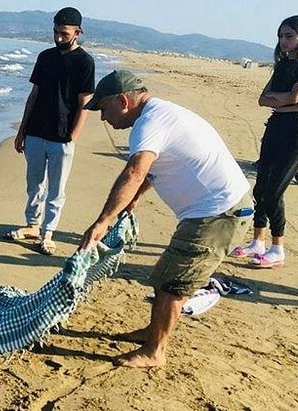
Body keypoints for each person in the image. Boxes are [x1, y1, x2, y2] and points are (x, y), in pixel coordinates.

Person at [79, 70, 252, 367]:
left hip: (217, 214)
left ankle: (154, 351)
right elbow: (152, 170)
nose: (103, 118)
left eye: (104, 109)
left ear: (122, 101)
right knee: (165, 278)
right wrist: (134, 198)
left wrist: (104, 220)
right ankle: (152, 332)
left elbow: (135, 171)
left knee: (173, 285)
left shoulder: (149, 122)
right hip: (215, 210)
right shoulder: (160, 114)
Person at [230, 15, 298, 268]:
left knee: (275, 189)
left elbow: (297, 97)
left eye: (289, 36)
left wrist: (281, 97)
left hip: (297, 129)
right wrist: (283, 98)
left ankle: (277, 248)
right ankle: (257, 241)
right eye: (281, 36)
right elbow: (263, 99)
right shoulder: (282, 65)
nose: (283, 41)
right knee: (261, 186)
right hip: (275, 126)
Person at [3, 6, 95, 255]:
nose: (58, 38)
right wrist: (22, 131)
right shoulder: (45, 57)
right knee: (34, 184)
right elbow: (33, 95)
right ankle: (32, 225)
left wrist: (73, 137)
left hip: (62, 136)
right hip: (35, 132)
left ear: (78, 32)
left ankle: (49, 233)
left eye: (64, 33)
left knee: (57, 189)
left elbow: (84, 103)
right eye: (55, 32)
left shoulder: (85, 62)